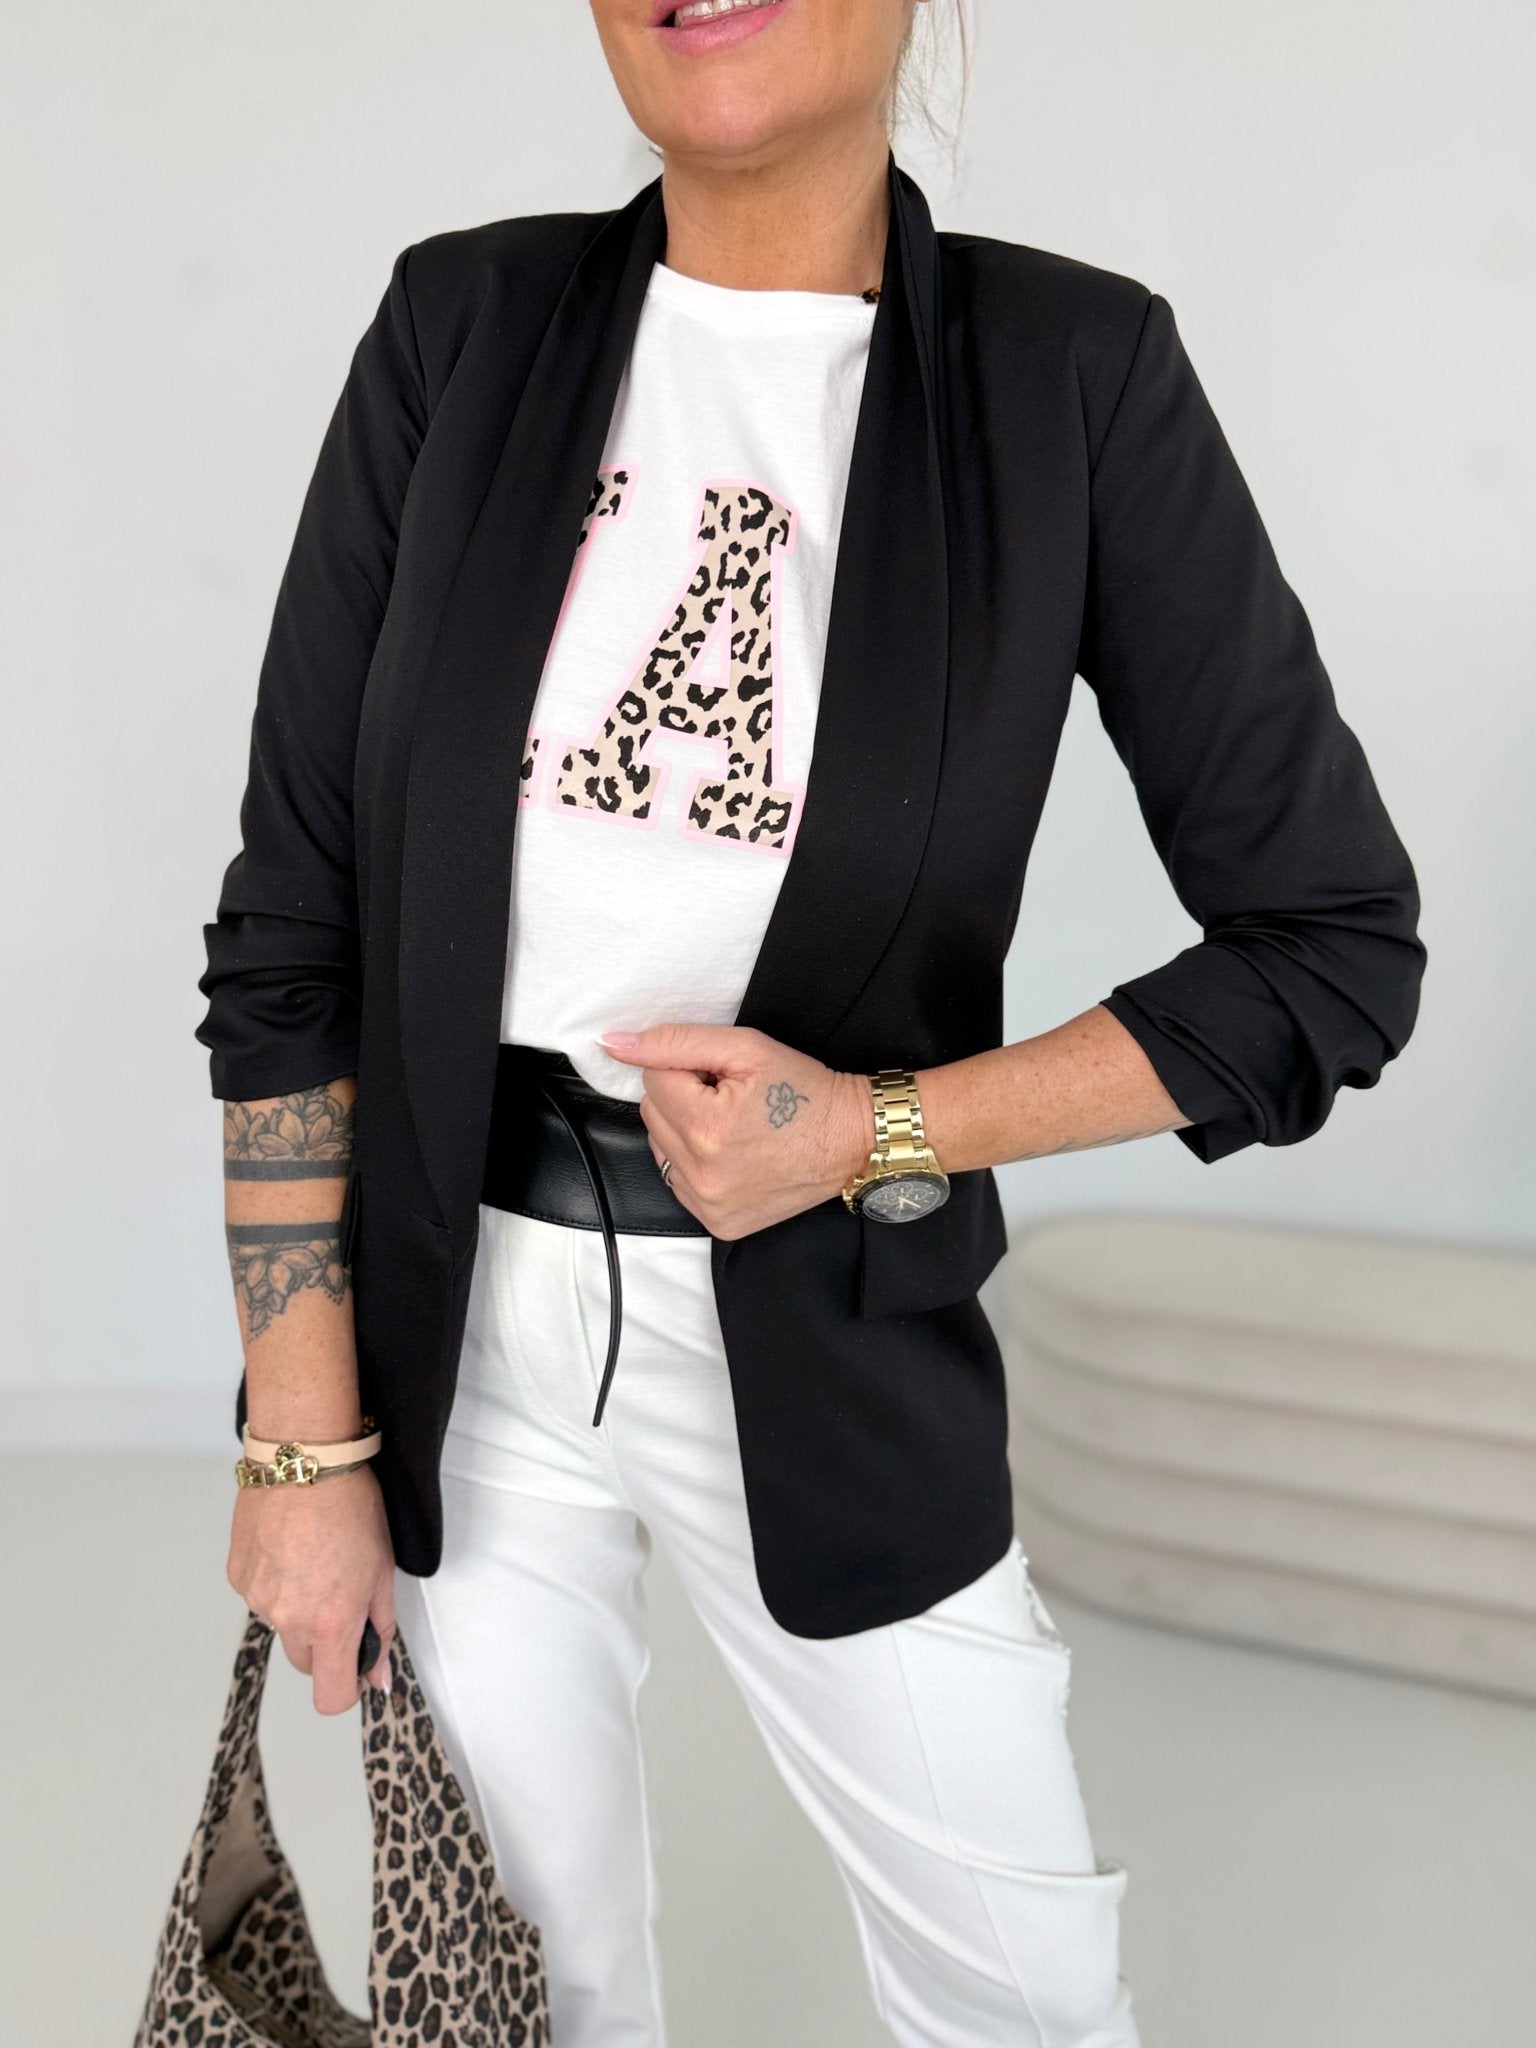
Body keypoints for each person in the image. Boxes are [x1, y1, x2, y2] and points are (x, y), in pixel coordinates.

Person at [201, 2, 1425, 2042]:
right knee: (518, 1996)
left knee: (1021, 1999)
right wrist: (301, 1434)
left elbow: (1327, 947)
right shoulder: (460, 329)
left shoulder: (1067, 376)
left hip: (826, 1323)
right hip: (457, 1334)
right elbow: (290, 937)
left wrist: (878, 1129)